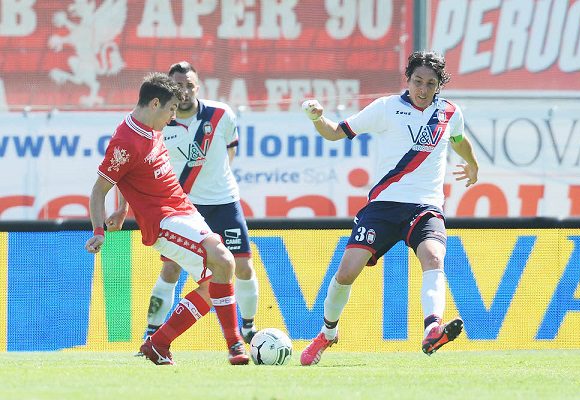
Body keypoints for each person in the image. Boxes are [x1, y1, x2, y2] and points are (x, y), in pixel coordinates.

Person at [299, 50, 479, 366]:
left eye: (431, 83)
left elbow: (459, 140)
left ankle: (433, 328)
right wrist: (316, 118)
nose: (423, 89)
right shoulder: (386, 108)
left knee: (434, 257)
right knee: (346, 273)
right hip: (383, 206)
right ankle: (327, 333)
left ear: (439, 85)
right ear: (407, 80)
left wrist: (473, 164)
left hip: (425, 206)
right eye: (418, 81)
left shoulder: (450, 112)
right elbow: (334, 132)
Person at [84, 72, 249, 365]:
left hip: (184, 210)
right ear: (155, 104)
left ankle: (158, 344)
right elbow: (98, 190)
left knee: (213, 284)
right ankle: (235, 344)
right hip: (163, 221)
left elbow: (130, 176)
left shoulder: (152, 126)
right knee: (224, 261)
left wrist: (122, 208)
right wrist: (99, 230)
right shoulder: (125, 142)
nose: (173, 117)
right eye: (171, 109)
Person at [136, 61, 259, 345]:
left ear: (198, 87)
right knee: (170, 270)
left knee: (242, 266)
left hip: (223, 202)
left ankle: (249, 329)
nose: (185, 91)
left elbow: (231, 149)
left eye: (189, 85)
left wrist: (215, 181)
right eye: (178, 86)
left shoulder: (221, 114)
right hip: (184, 208)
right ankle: (151, 333)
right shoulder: (160, 122)